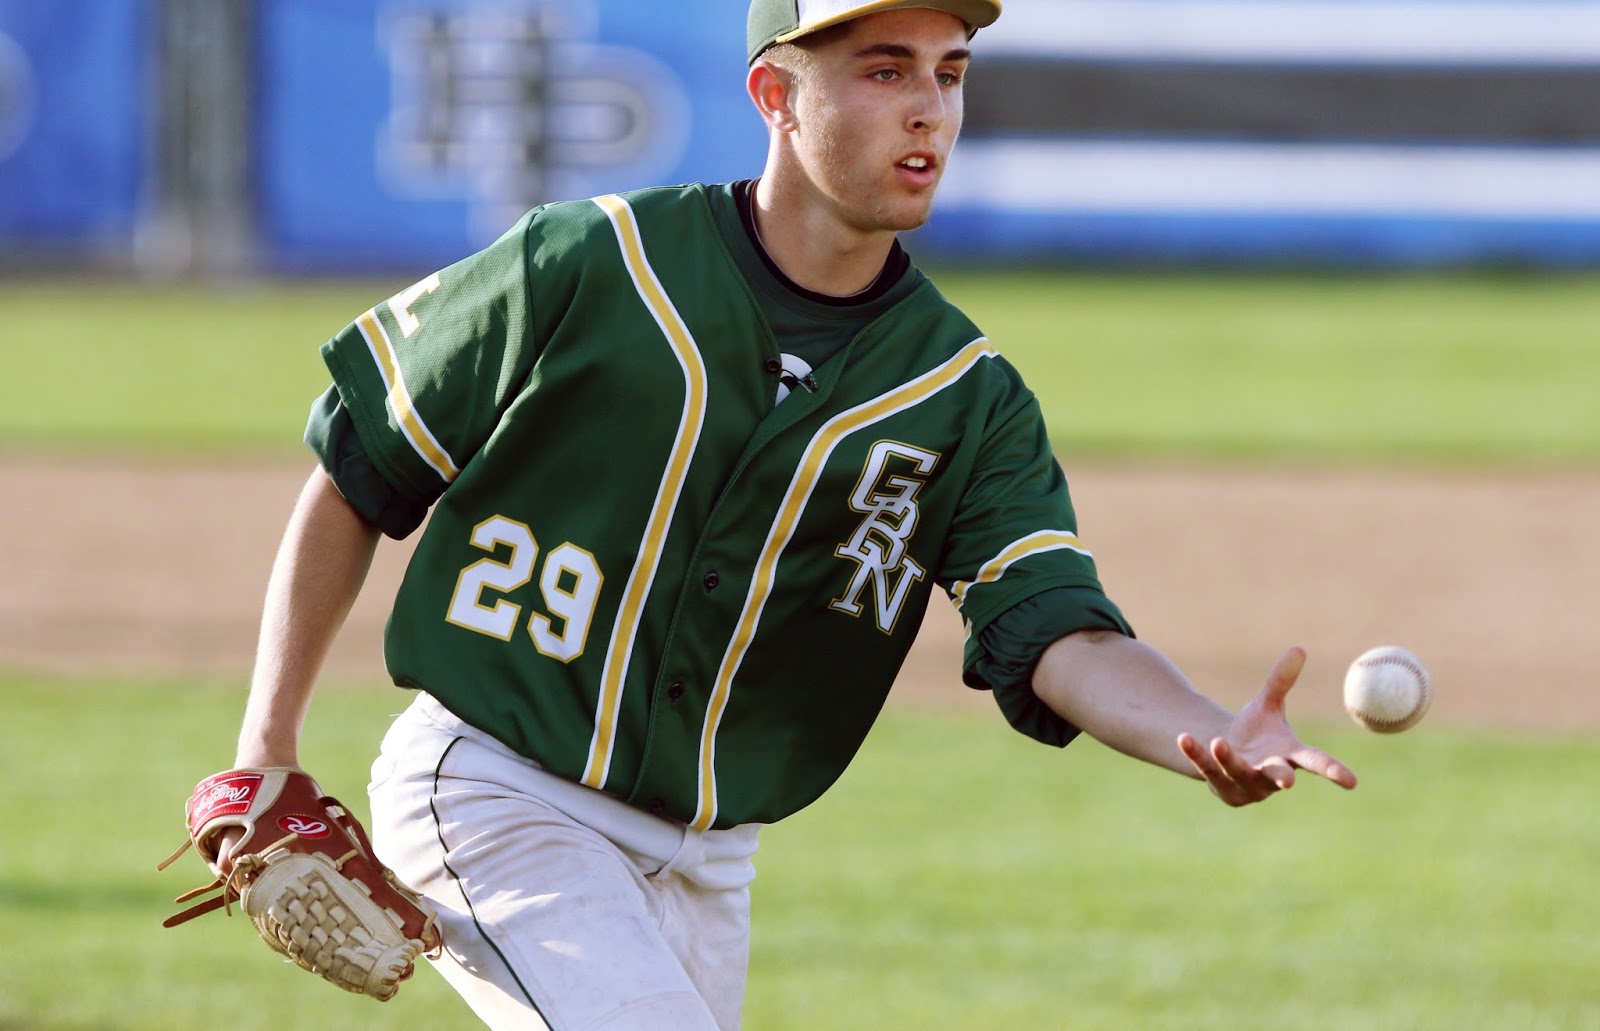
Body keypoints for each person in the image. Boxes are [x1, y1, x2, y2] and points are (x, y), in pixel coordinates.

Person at [214, 2, 1358, 1027]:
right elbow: (361, 462)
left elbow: (1056, 627)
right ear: (775, 93)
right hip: (495, 787)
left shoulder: (964, 394)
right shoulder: (593, 262)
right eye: (882, 70)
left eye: (949, 74)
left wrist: (1202, 725)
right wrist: (264, 750)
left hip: (713, 859)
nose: (928, 111)